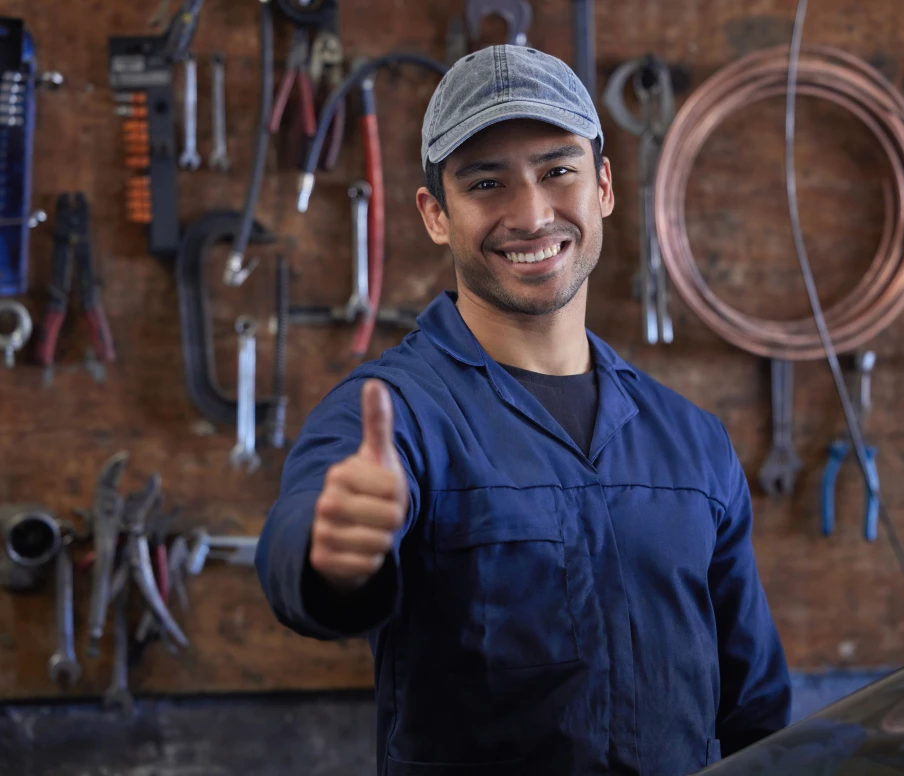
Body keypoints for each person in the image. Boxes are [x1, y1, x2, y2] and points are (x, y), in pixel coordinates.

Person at [255, 44, 791, 776]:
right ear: (436, 215)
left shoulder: (689, 440)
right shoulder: (393, 415)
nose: (532, 214)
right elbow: (302, 542)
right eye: (485, 182)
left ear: (602, 186)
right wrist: (330, 557)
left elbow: (757, 710)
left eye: (557, 170)